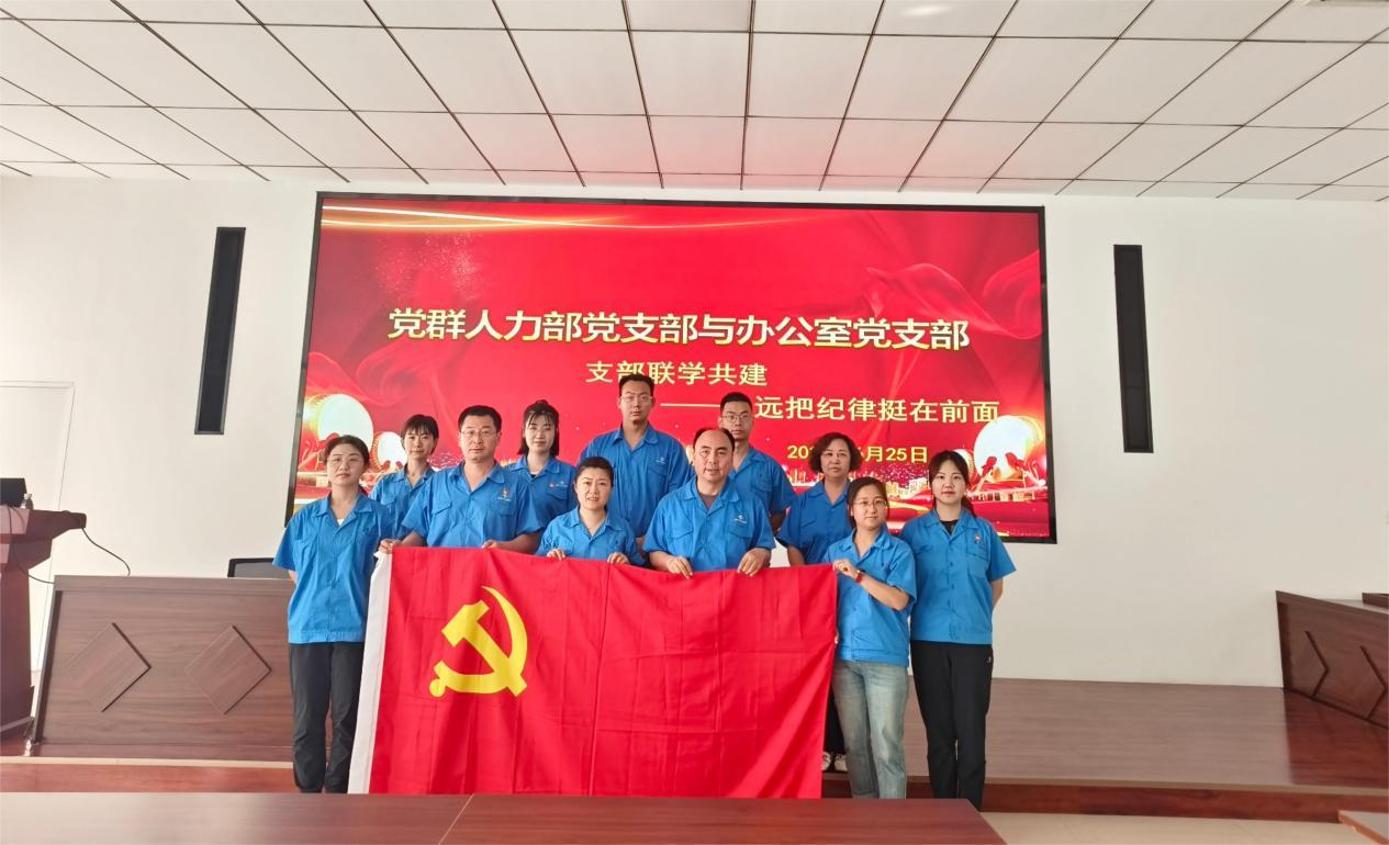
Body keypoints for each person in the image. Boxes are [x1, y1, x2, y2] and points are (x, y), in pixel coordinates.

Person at [273, 434, 397, 793]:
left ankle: (339, 790)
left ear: (365, 467)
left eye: (352, 459)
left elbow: (391, 567)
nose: (344, 466)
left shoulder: (380, 517)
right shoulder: (304, 518)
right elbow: (293, 569)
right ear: (325, 467)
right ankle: (308, 791)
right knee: (307, 718)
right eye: (336, 459)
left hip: (355, 628)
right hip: (307, 628)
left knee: (348, 717)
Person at [900, 450, 1016, 810]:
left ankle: (970, 810)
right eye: (940, 477)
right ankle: (943, 810)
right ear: (931, 483)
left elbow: (996, 584)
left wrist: (974, 615)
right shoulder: (913, 531)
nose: (947, 484)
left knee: (971, 730)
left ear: (966, 484)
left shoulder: (983, 531)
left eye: (955, 477)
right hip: (927, 641)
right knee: (938, 731)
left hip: (973, 643)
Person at [827, 476, 915, 800]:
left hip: (885, 660)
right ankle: (864, 810)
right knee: (855, 745)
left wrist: (859, 576)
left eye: (878, 502)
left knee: (886, 744)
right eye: (863, 503)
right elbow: (821, 600)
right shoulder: (835, 551)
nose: (871, 508)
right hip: (845, 660)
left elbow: (899, 600)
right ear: (851, 510)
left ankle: (891, 817)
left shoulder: (899, 551)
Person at [779, 431, 862, 772]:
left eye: (842, 454)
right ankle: (820, 744)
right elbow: (793, 544)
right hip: (814, 595)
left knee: (847, 668)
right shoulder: (804, 502)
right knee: (817, 669)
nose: (835, 460)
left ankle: (843, 747)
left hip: (853, 594)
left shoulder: (859, 498)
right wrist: (808, 582)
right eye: (828, 454)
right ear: (819, 460)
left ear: (851, 460)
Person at [387, 405, 541, 552]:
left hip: (490, 570)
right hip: (441, 569)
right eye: (470, 432)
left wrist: (505, 548)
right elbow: (419, 532)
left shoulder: (517, 485)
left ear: (498, 437)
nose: (477, 439)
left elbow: (532, 538)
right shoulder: (437, 483)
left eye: (485, 432)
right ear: (459, 438)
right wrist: (401, 547)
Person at [644, 427, 774, 577]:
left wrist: (759, 554)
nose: (712, 460)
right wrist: (669, 561)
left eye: (721, 453)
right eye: (705, 452)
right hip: (683, 590)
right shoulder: (669, 505)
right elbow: (654, 552)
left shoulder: (752, 504)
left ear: (732, 458)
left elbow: (764, 548)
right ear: (693, 456)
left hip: (733, 590)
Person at [538, 456, 638, 565]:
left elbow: (638, 571)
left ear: (611, 489)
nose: (593, 490)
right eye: (587, 483)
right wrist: (549, 559)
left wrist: (627, 564)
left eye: (602, 484)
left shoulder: (623, 529)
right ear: (576, 487)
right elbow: (537, 568)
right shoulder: (557, 527)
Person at [717, 391, 795, 530]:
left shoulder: (769, 467)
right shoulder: (708, 465)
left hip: (756, 543)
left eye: (744, 416)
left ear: (753, 422)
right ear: (720, 422)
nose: (738, 422)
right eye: (731, 417)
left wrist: (761, 534)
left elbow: (780, 512)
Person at [505, 399, 577, 529]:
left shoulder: (570, 474)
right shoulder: (505, 474)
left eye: (547, 428)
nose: (539, 435)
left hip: (555, 542)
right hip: (512, 542)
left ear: (555, 432)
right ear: (523, 432)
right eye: (533, 428)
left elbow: (576, 521)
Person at [369, 414, 438, 534]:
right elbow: (368, 521)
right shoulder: (385, 483)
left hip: (425, 547)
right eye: (412, 437)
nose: (417, 443)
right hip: (386, 546)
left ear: (435, 442)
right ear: (402, 441)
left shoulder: (440, 484)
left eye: (424, 437)